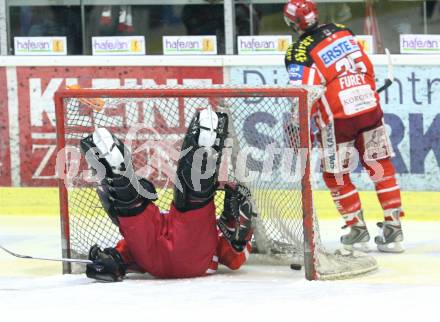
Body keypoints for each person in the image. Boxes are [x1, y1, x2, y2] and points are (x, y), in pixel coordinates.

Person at [79, 109, 257, 282]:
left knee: (133, 215)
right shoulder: (213, 231)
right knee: (195, 202)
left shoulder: (153, 220)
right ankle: (202, 161)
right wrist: (240, 232)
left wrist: (108, 261)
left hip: (152, 260)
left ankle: (122, 187)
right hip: (192, 260)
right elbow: (234, 260)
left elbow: (122, 257)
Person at [283, 0, 404, 253]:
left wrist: (298, 126)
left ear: (292, 23)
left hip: (338, 118)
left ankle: (357, 230)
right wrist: (369, 96)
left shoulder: (298, 52)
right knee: (380, 164)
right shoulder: (342, 30)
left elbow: (306, 93)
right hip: (370, 107)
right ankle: (394, 231)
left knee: (335, 174)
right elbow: (367, 68)